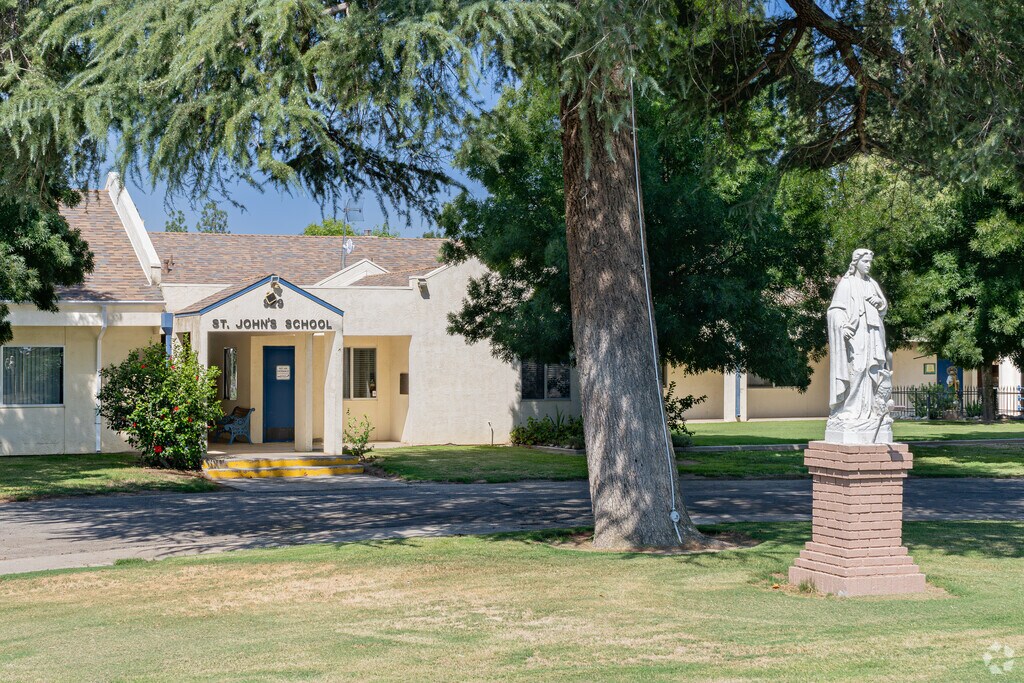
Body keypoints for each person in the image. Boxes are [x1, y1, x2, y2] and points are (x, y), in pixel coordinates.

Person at [826, 248, 893, 442]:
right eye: (866, 262)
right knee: (857, 369)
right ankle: (849, 410)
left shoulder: (872, 283)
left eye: (870, 262)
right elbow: (834, 310)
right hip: (856, 334)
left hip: (872, 332)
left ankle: (871, 412)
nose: (869, 265)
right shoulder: (846, 284)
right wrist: (842, 325)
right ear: (856, 262)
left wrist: (879, 302)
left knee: (872, 372)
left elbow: (883, 307)